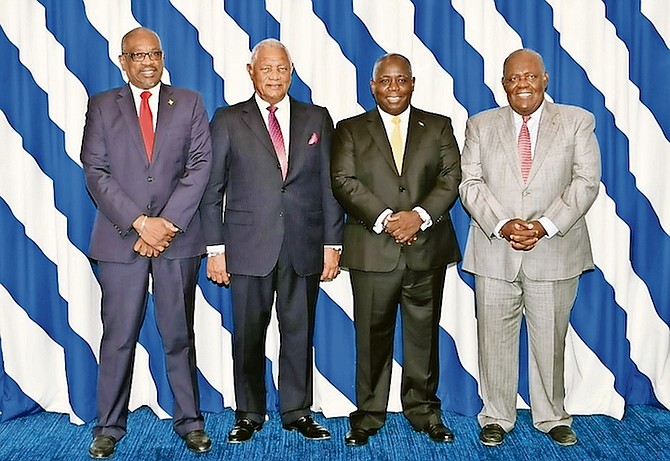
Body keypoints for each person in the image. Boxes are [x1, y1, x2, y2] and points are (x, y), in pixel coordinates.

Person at [200, 38, 344, 444]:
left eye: (282, 69)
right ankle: (248, 413)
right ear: (251, 72)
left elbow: (329, 186)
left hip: (303, 244)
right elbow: (212, 190)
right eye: (267, 69)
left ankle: (298, 411)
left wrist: (332, 244)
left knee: (299, 331)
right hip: (247, 247)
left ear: (291, 71)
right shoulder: (228, 119)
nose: (275, 76)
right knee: (248, 334)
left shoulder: (317, 118)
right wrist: (215, 249)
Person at [80, 27, 212, 458]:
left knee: (179, 334)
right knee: (118, 336)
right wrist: (140, 223)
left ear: (163, 56)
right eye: (138, 55)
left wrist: (165, 224)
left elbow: (199, 167)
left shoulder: (189, 102)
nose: (148, 62)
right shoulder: (102, 106)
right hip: (121, 241)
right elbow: (95, 171)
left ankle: (190, 421)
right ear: (124, 61)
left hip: (177, 240)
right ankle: (109, 426)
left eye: (155, 53)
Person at [459, 49, 601, 447]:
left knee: (550, 340)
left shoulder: (576, 122)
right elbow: (469, 182)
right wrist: (504, 225)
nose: (521, 84)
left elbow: (586, 181)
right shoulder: (480, 125)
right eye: (512, 78)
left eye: (529, 77)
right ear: (503, 84)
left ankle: (552, 416)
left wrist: (544, 225)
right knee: (494, 340)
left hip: (555, 250)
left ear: (545, 79)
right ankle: (496, 416)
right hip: (495, 250)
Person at [331, 53, 462, 446]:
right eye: (385, 81)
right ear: (372, 86)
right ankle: (369, 414)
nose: (393, 88)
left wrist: (418, 216)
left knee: (424, 336)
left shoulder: (438, 126)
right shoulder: (350, 128)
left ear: (412, 83)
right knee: (371, 337)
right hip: (374, 250)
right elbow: (343, 180)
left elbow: (451, 177)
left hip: (426, 249)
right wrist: (389, 218)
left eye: (401, 80)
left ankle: (424, 410)